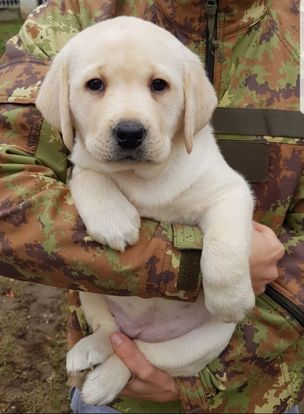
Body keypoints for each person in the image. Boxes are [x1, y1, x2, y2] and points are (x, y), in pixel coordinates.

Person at [0, 0, 303, 412]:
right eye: (96, 85)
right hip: (117, 384)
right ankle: (111, 342)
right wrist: (185, 262)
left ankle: (133, 359)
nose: (130, 122)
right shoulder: (78, 13)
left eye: (158, 86)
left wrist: (207, 378)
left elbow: (227, 197)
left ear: (190, 102)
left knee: (211, 326)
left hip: (259, 382)